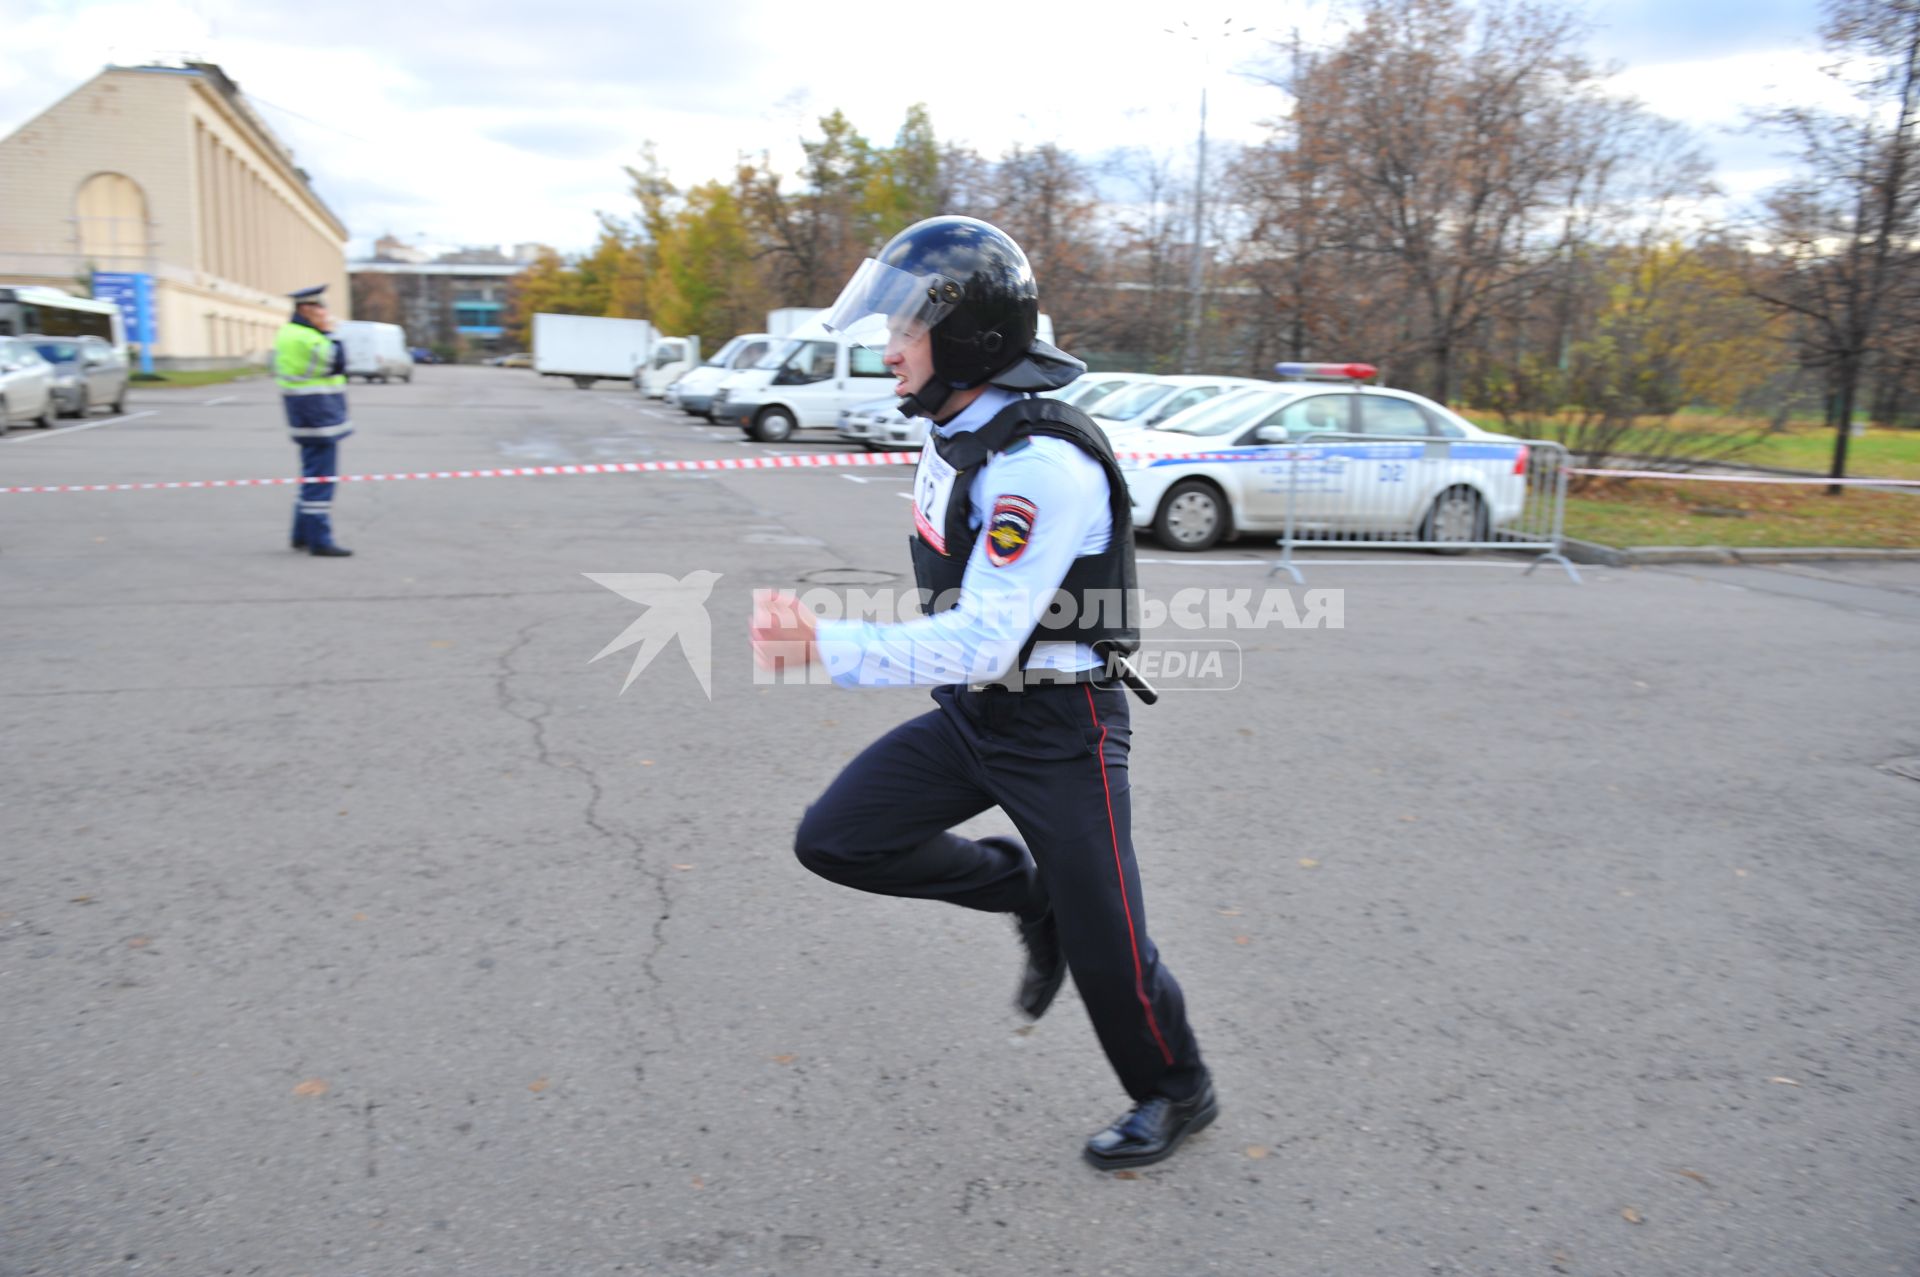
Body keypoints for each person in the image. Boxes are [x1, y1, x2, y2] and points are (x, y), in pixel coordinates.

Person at [750, 216, 1215, 1171]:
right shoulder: (957, 424)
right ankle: (1022, 887)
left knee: (1110, 949)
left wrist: (822, 645)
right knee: (835, 839)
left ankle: (1178, 1090)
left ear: (967, 340)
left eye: (903, 331)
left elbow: (986, 631)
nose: (887, 352)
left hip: (1059, 722)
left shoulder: (1041, 464)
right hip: (977, 709)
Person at [273, 284, 353, 557]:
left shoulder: (290, 332)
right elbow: (338, 361)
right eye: (320, 308)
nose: (325, 312)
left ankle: (301, 534)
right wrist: (331, 332)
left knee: (312, 476)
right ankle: (320, 539)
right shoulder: (308, 337)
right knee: (320, 479)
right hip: (318, 416)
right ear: (306, 310)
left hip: (307, 413)